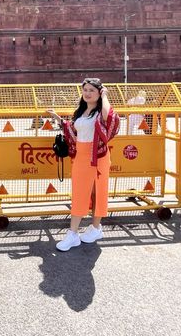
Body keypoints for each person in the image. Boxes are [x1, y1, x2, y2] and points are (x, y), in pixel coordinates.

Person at [47, 78, 120, 252]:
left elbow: (110, 118)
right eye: (85, 90)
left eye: (92, 90)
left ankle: (88, 230)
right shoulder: (81, 111)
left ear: (99, 93)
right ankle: (80, 232)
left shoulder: (100, 112)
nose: (87, 93)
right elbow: (73, 130)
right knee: (80, 193)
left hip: (98, 157)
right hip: (81, 157)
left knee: (98, 193)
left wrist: (105, 95)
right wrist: (58, 119)